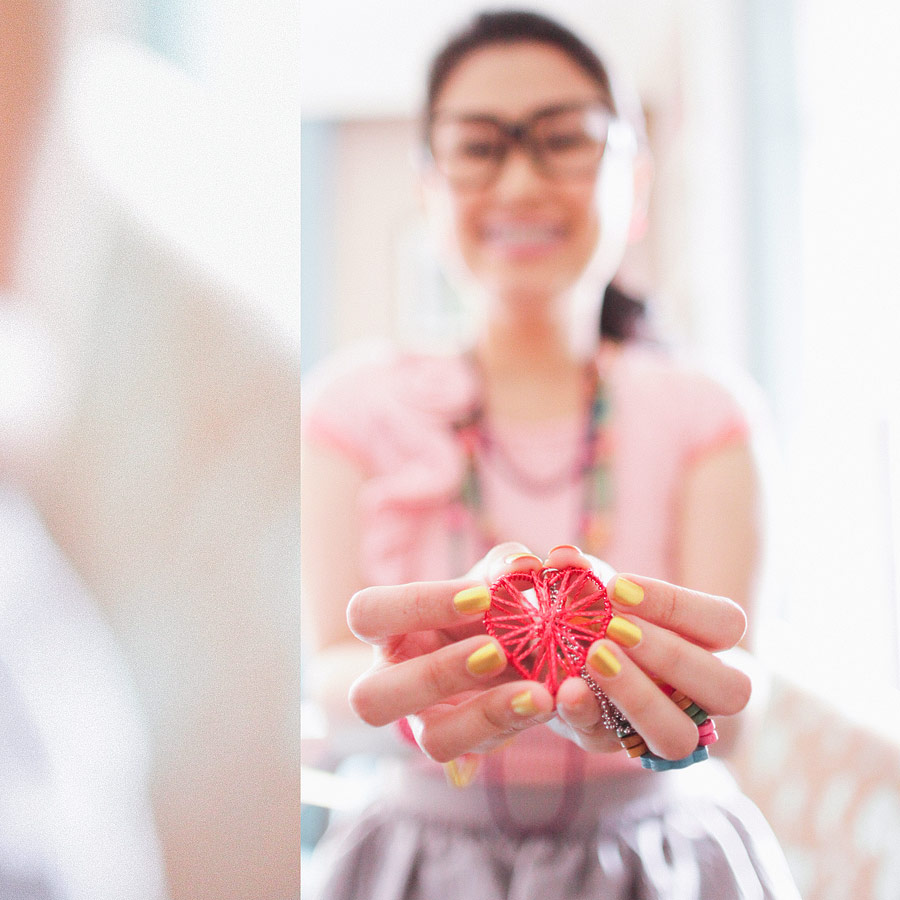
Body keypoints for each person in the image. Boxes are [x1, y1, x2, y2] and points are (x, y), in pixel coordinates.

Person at [301, 10, 800, 898]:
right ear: (428, 188)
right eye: (479, 146)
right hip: (414, 864)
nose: (523, 179)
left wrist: (692, 701)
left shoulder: (710, 413)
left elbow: (741, 685)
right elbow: (327, 674)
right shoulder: (345, 408)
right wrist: (404, 691)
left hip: (666, 859)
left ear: (634, 185)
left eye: (565, 140)